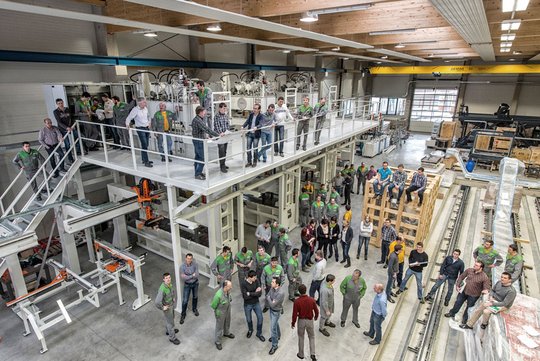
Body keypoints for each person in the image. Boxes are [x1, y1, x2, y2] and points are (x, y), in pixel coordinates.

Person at [191, 106, 221, 180]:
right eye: (204, 111)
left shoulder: (198, 119)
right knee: (202, 158)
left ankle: (198, 172)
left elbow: (201, 130)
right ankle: (197, 174)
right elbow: (206, 129)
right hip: (199, 141)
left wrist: (206, 136)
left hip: (199, 140)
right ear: (200, 112)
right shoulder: (198, 120)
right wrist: (217, 135)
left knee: (198, 157)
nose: (205, 113)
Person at [291, 284, 319, 361]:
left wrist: (293, 323)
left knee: (301, 337)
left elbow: (294, 314)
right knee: (311, 337)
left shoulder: (297, 302)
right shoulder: (311, 300)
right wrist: (316, 317)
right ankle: (312, 354)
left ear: (299, 292)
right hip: (310, 321)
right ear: (306, 290)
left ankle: (301, 354)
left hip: (301, 321)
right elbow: (316, 310)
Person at [126, 97, 153, 168]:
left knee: (146, 144)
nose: (146, 103)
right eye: (144, 102)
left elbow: (149, 116)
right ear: (140, 103)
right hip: (140, 129)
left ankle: (143, 159)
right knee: (144, 144)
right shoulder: (135, 110)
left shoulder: (145, 109)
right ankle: (146, 161)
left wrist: (149, 122)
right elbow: (129, 118)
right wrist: (127, 125)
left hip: (147, 128)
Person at [155, 272, 180, 345]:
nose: (168, 279)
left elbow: (171, 292)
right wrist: (163, 307)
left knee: (170, 319)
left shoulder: (169, 285)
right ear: (163, 280)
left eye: (169, 277)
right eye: (166, 278)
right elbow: (157, 302)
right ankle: (172, 338)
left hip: (171, 305)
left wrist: (173, 298)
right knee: (170, 323)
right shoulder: (162, 289)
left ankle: (168, 331)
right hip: (168, 307)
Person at [240, 270, 266, 341]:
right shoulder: (244, 284)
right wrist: (255, 293)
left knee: (260, 318)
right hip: (247, 305)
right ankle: (250, 330)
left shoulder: (256, 281)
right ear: (249, 277)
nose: (255, 279)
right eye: (254, 278)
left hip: (256, 303)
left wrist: (250, 293)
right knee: (249, 319)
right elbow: (245, 297)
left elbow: (260, 294)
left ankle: (259, 333)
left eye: (256, 277)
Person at [211, 280, 234, 350]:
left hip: (227, 308)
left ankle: (226, 333)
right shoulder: (218, 295)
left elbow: (230, 298)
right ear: (225, 287)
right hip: (220, 312)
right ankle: (217, 342)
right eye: (230, 287)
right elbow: (213, 305)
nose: (231, 287)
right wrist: (218, 313)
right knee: (219, 327)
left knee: (227, 321)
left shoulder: (227, 291)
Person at [267, 277, 286, 355]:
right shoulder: (272, 288)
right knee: (275, 324)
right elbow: (268, 295)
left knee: (272, 329)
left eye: (273, 282)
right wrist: (271, 299)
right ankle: (278, 335)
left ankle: (275, 345)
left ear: (277, 284)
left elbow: (272, 304)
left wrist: (270, 299)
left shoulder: (281, 293)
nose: (271, 283)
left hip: (276, 312)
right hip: (271, 310)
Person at [180, 253, 199, 325]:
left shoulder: (195, 264)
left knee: (195, 297)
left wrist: (188, 276)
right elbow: (183, 277)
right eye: (188, 258)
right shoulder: (182, 267)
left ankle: (194, 309)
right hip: (187, 285)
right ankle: (183, 314)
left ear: (192, 259)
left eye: (190, 258)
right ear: (185, 258)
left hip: (195, 283)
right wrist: (192, 275)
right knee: (185, 300)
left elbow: (197, 275)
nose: (189, 260)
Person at [213, 102, 230, 173]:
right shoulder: (216, 116)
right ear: (220, 108)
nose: (224, 109)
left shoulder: (226, 116)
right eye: (223, 108)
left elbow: (228, 124)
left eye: (225, 108)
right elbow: (216, 126)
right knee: (221, 151)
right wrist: (221, 133)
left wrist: (227, 132)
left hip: (225, 136)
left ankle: (223, 163)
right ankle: (222, 167)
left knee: (225, 151)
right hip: (220, 137)